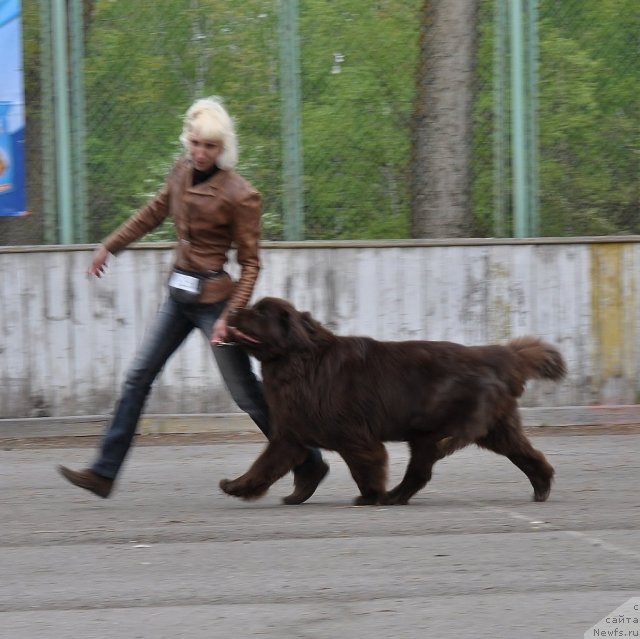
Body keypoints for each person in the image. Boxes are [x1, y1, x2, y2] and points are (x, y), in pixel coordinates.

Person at [58, 96, 328, 504]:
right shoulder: (180, 172)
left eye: (210, 146)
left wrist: (230, 317)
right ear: (188, 139)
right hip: (179, 297)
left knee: (246, 394)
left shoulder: (240, 194)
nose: (200, 153)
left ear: (223, 149)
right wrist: (109, 246)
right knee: (137, 377)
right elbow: (151, 213)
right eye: (196, 143)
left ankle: (308, 462)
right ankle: (104, 472)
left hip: (217, 304)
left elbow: (251, 264)